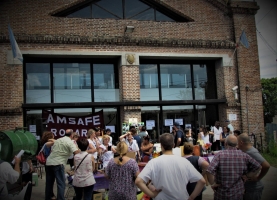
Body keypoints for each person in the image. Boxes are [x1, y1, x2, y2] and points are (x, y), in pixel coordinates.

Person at [136, 133, 205, 200]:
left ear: (161, 145)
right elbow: (202, 181)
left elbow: (138, 181)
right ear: (173, 145)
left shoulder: (153, 162)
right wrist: (191, 197)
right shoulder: (184, 161)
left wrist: (152, 194)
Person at [206, 135, 262, 200]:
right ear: (237, 144)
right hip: (237, 193)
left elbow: (209, 170)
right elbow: (258, 166)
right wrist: (247, 176)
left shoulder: (219, 155)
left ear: (225, 143)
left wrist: (213, 183)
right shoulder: (244, 155)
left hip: (222, 193)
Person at [45, 129, 80, 200]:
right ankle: (60, 198)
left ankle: (48, 198)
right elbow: (76, 153)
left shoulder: (58, 140)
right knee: (61, 183)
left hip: (49, 162)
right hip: (58, 163)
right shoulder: (70, 142)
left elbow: (50, 148)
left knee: (49, 183)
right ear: (72, 135)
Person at [237, 133, 270, 200]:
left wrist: (258, 178)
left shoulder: (251, 152)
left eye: (237, 142)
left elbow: (266, 165)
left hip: (253, 188)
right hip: (248, 187)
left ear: (241, 142)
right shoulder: (246, 151)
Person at [40, 131, 56, 200]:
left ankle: (50, 194)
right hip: (50, 163)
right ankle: (48, 196)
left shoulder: (45, 143)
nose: (54, 136)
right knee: (50, 180)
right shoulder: (48, 144)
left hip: (47, 163)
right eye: (53, 135)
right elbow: (57, 142)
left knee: (50, 180)